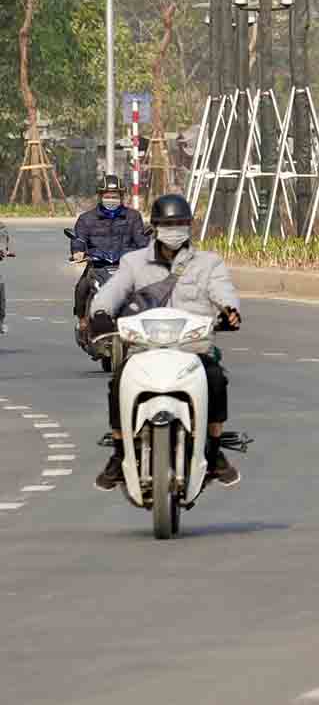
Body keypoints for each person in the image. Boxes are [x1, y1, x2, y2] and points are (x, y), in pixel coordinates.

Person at [87, 193, 241, 491]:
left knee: (216, 380)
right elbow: (113, 290)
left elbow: (223, 290)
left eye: (181, 223)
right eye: (168, 224)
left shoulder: (208, 263)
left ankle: (214, 449)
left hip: (192, 350)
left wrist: (229, 311)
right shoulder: (133, 263)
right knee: (118, 382)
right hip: (144, 349)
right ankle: (119, 454)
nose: (175, 229)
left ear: (190, 227)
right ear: (155, 227)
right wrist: (101, 313)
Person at [69, 175, 149, 331]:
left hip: (126, 266)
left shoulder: (133, 217)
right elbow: (79, 238)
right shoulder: (86, 219)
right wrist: (78, 251)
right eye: (107, 196)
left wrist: (148, 251)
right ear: (100, 197)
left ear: (121, 197)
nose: (111, 199)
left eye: (115, 196)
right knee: (81, 288)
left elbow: (142, 240)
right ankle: (83, 319)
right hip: (97, 266)